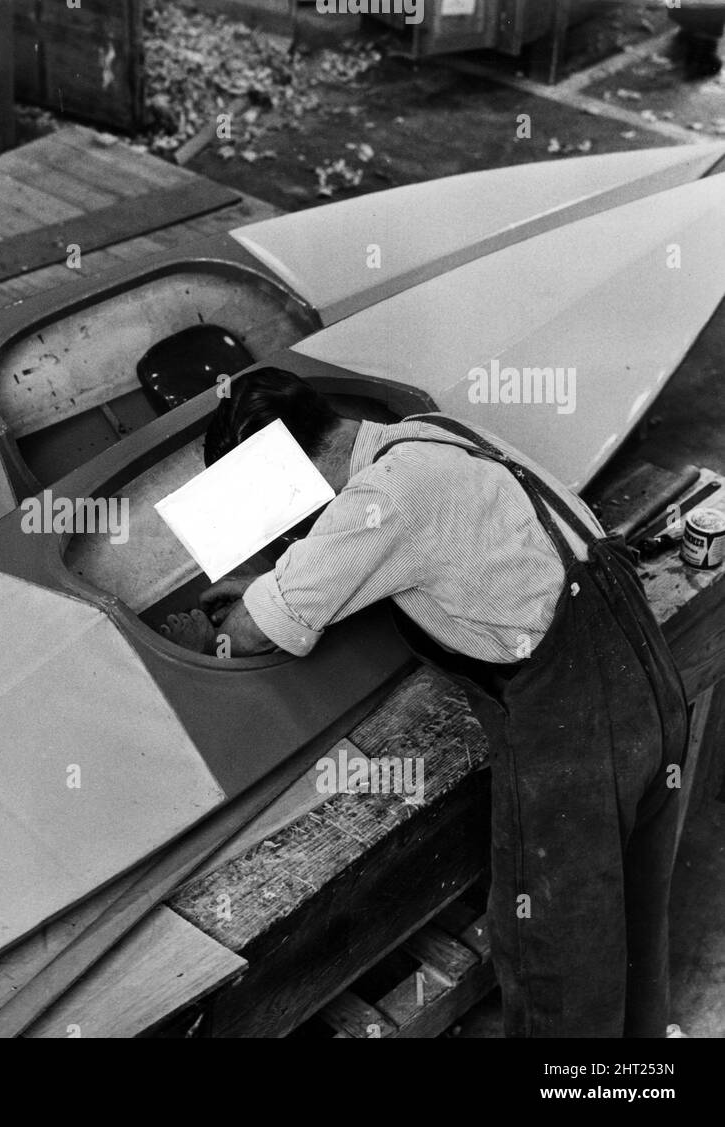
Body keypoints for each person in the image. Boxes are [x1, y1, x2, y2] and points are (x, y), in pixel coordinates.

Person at [161, 368, 687, 1038]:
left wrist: (215, 628)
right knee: (636, 922)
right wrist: (273, 574)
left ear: (284, 478)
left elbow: (257, 628)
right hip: (647, 679)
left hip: (576, 734)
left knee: (558, 955)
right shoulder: (428, 433)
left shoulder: (383, 498)